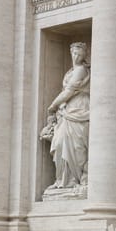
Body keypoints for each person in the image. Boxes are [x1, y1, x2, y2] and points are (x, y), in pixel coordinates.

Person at [45, 42, 90, 189]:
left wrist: (53, 105)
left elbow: (69, 91)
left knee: (78, 146)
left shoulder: (81, 70)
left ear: (84, 55)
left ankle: (74, 179)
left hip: (79, 107)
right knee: (59, 143)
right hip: (67, 110)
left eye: (79, 54)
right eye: (74, 53)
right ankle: (63, 180)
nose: (76, 56)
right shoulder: (70, 71)